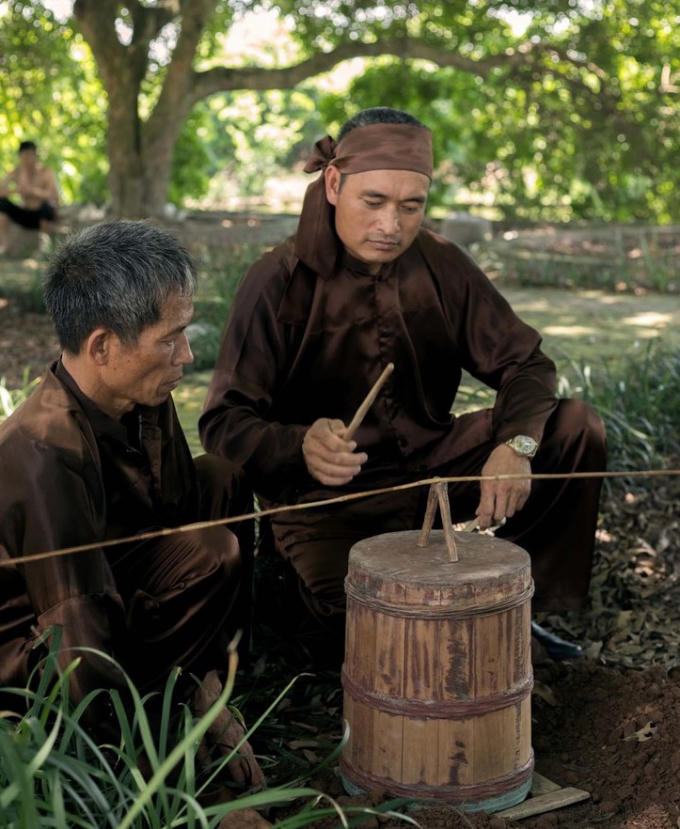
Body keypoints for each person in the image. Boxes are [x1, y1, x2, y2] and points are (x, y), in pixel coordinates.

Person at [199, 107, 607, 662]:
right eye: (375, 202)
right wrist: (299, 445)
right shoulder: (275, 280)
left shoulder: (440, 263)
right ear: (335, 183)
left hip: (431, 472)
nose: (391, 225)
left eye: (410, 206)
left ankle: (518, 609)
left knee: (573, 428)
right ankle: (286, 591)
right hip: (326, 501)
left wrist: (516, 446)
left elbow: (526, 363)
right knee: (371, 626)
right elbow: (223, 422)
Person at [0, 221, 263, 789]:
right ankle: (159, 730)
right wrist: (152, 775)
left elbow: (177, 511)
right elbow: (73, 633)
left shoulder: (139, 396)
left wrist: (209, 692)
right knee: (213, 551)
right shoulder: (43, 451)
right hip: (37, 650)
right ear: (102, 346)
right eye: (170, 338)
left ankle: (209, 677)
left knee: (220, 478)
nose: (187, 356)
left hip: (106, 578)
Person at [0, 140, 59, 253]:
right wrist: (16, 190)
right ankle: (4, 244)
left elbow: (54, 197)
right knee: (1, 203)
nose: (28, 159)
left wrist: (33, 191)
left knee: (46, 207)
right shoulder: (16, 172)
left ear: (36, 155)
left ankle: (45, 246)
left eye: (31, 155)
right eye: (25, 156)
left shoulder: (45, 172)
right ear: (20, 157)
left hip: (43, 215)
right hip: (26, 215)